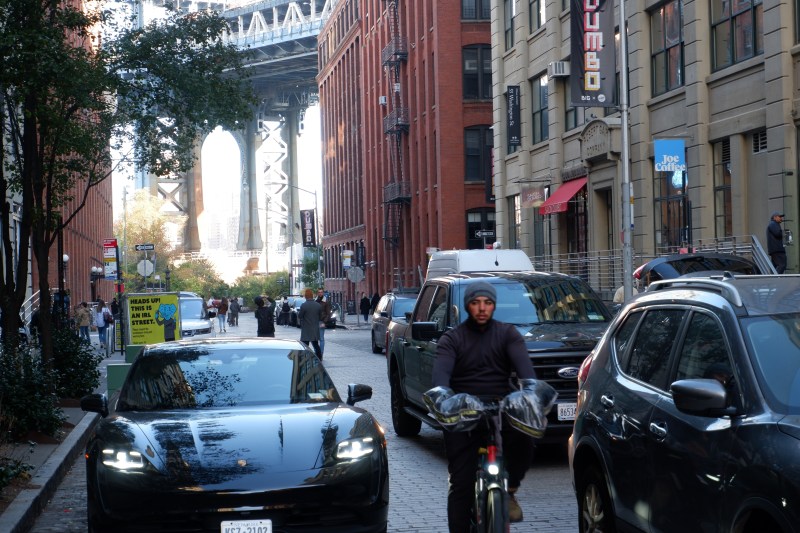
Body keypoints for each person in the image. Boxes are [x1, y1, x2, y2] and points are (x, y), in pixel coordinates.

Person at [431, 281, 537, 530]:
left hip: (500, 406)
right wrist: (445, 397)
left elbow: (526, 371)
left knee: (526, 435)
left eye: (487, 303)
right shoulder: (452, 339)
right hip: (462, 412)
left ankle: (510, 490)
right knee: (461, 483)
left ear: (494, 306)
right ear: (467, 305)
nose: (481, 308)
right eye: (476, 303)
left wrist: (531, 391)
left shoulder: (507, 333)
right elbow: (441, 377)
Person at [298, 288, 323, 359]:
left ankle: (304, 358)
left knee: (305, 345)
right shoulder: (318, 305)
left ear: (306, 296)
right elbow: (320, 316)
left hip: (306, 328)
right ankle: (319, 358)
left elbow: (300, 316)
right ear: (312, 296)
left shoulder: (304, 305)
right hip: (315, 328)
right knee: (315, 345)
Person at [316, 288, 332, 355]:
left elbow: (328, 313)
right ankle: (317, 352)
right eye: (319, 292)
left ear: (323, 293)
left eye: (321, 292)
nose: (320, 293)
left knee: (321, 338)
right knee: (315, 338)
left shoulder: (326, 301)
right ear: (317, 293)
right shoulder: (315, 301)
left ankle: (321, 353)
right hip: (315, 322)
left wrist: (324, 322)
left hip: (321, 321)